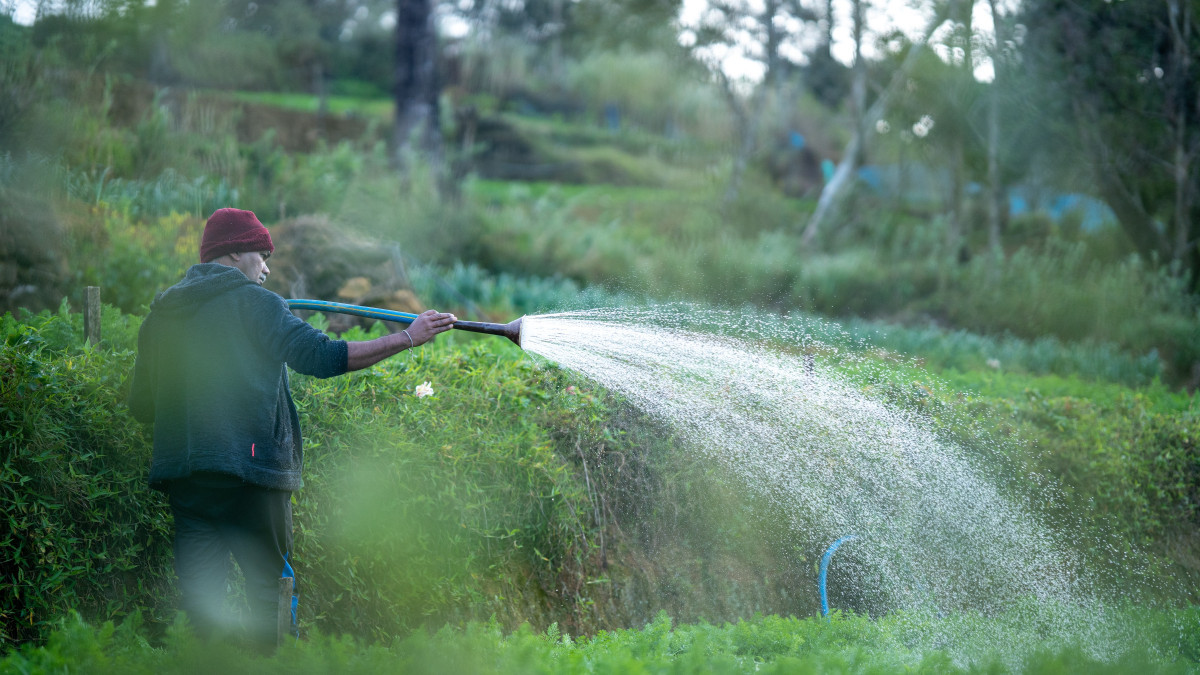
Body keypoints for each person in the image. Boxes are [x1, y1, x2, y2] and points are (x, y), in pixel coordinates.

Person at [127, 207, 456, 651]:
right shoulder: (258, 304)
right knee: (272, 598)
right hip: (252, 481)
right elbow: (321, 357)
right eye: (261, 256)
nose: (266, 268)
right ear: (235, 254)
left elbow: (142, 406)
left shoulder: (163, 313)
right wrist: (408, 337)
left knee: (200, 610)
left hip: (188, 483)